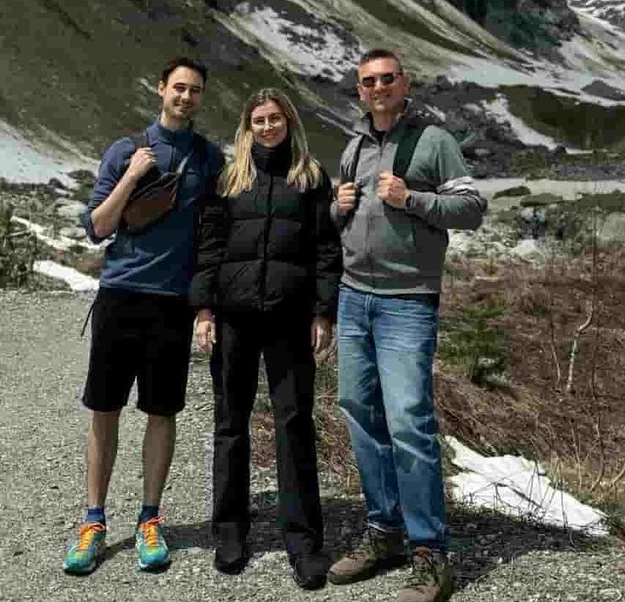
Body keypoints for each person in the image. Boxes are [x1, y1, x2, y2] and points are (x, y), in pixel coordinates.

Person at [327, 49, 486, 602]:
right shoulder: (353, 148)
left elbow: (471, 207)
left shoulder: (433, 141)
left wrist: (412, 197)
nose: (377, 88)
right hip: (353, 299)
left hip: (406, 303)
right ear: (359, 88)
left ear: (404, 82)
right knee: (359, 413)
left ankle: (430, 552)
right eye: (368, 81)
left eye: (387, 79)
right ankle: (384, 531)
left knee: (409, 422)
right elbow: (344, 220)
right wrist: (335, 207)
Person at [62, 57, 224, 576]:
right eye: (179, 88)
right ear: (160, 90)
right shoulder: (125, 150)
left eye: (195, 91)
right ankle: (94, 520)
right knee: (104, 409)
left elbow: (218, 231)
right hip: (120, 295)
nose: (186, 97)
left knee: (161, 411)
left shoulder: (208, 158)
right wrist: (132, 176)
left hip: (172, 304)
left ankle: (150, 519)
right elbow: (98, 227)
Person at [191, 88, 341, 590]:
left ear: (289, 122)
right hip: (234, 317)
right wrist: (205, 308)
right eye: (258, 120)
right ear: (247, 126)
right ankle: (230, 533)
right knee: (230, 424)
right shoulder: (230, 178)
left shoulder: (310, 178)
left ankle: (303, 543)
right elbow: (210, 245)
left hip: (290, 318)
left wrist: (323, 311)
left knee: (294, 424)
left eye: (275, 118)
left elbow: (325, 249)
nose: (267, 127)